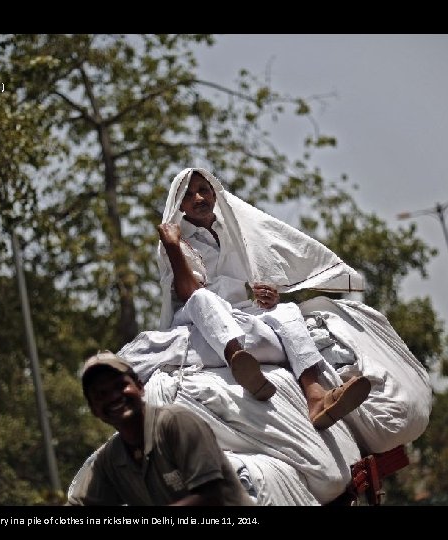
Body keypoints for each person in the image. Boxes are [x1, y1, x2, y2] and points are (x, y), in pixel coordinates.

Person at [156, 168, 371, 430]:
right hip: (195, 320)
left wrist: (269, 297)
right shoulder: (176, 240)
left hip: (239, 313)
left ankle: (315, 395)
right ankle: (240, 363)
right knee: (203, 299)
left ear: (214, 192)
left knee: (288, 311)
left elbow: (255, 274)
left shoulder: (234, 231)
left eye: (203, 190)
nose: (199, 198)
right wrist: (172, 248)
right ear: (180, 205)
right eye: (189, 195)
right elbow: (188, 293)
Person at [67, 351, 254, 506]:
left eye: (121, 385)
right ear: (93, 409)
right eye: (101, 394)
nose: (114, 397)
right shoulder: (110, 459)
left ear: (140, 387)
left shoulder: (176, 423)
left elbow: (212, 497)